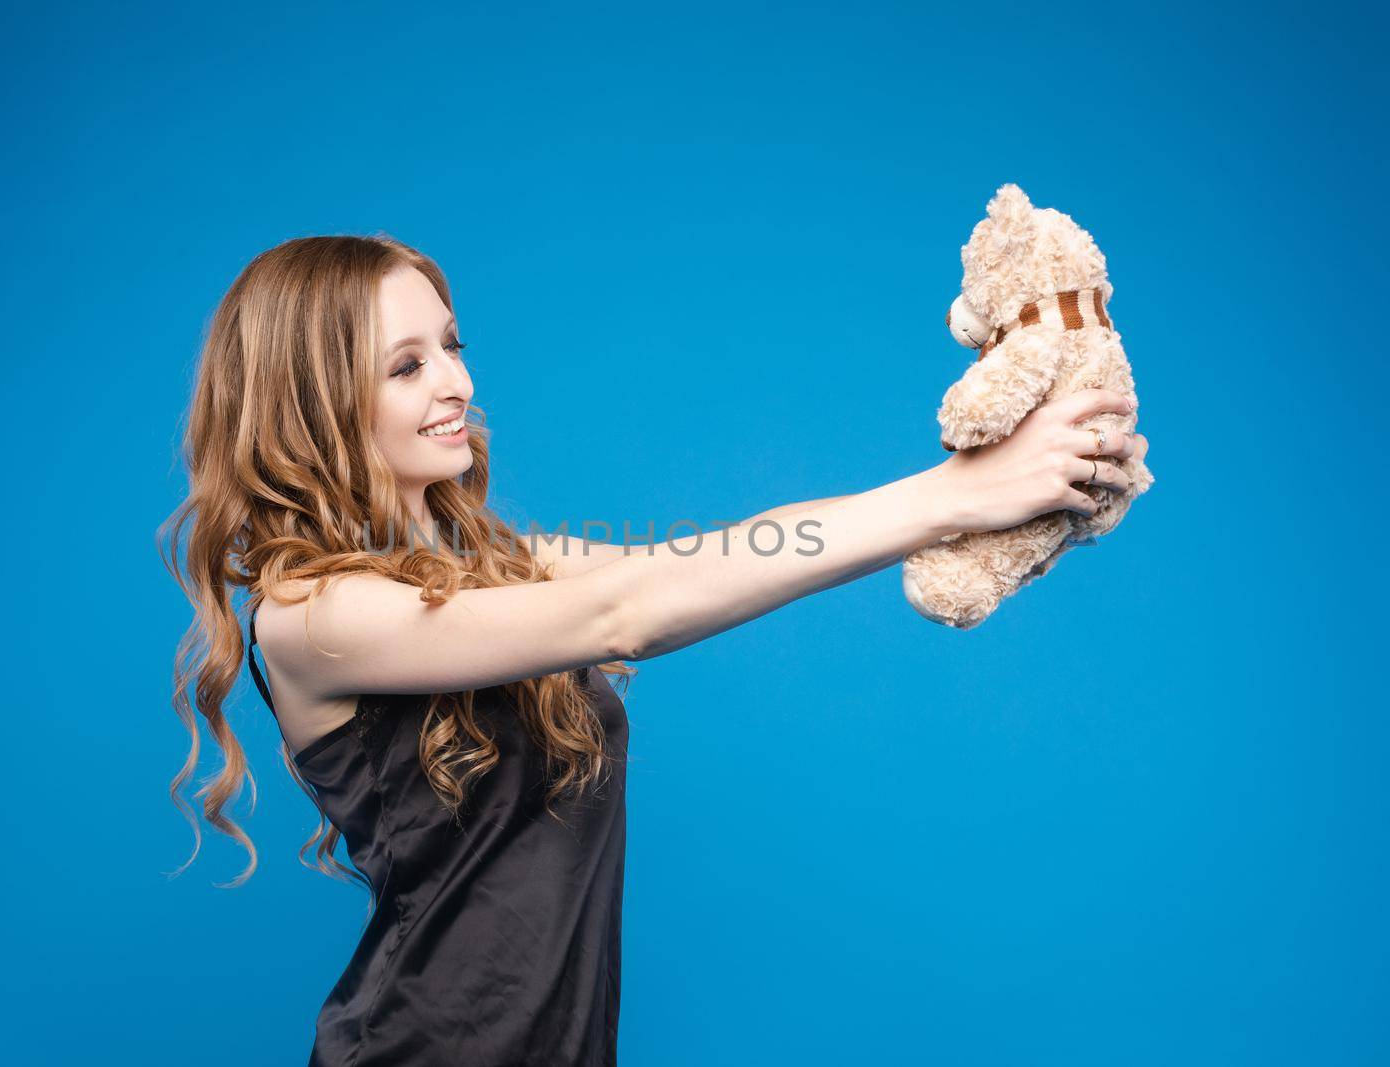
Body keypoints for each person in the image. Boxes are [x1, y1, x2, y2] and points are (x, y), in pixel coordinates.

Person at [157, 234, 1149, 1066]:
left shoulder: (510, 565)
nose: (455, 380)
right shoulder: (312, 614)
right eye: (405, 364)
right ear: (315, 401)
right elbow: (623, 613)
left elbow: (722, 555)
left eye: (452, 345)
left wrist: (993, 489)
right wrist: (951, 498)